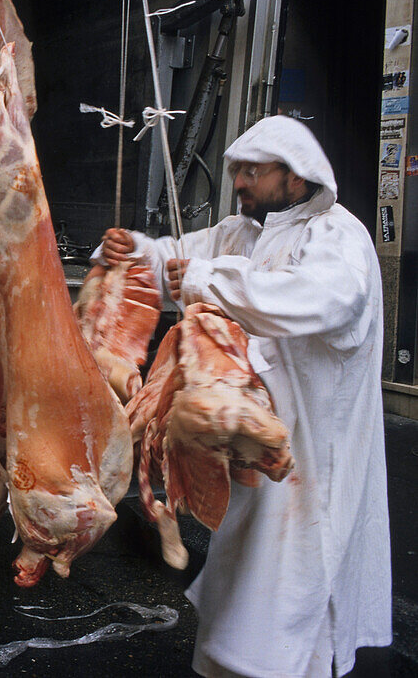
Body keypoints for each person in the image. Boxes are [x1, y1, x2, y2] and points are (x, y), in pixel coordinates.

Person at [96, 115, 390, 677]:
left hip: (311, 457)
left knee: (293, 599)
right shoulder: (241, 233)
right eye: (237, 172)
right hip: (248, 439)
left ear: (296, 176)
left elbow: (321, 301)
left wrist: (211, 281)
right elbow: (177, 258)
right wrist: (134, 250)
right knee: (242, 598)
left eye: (253, 172)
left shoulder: (338, 237)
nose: (240, 183)